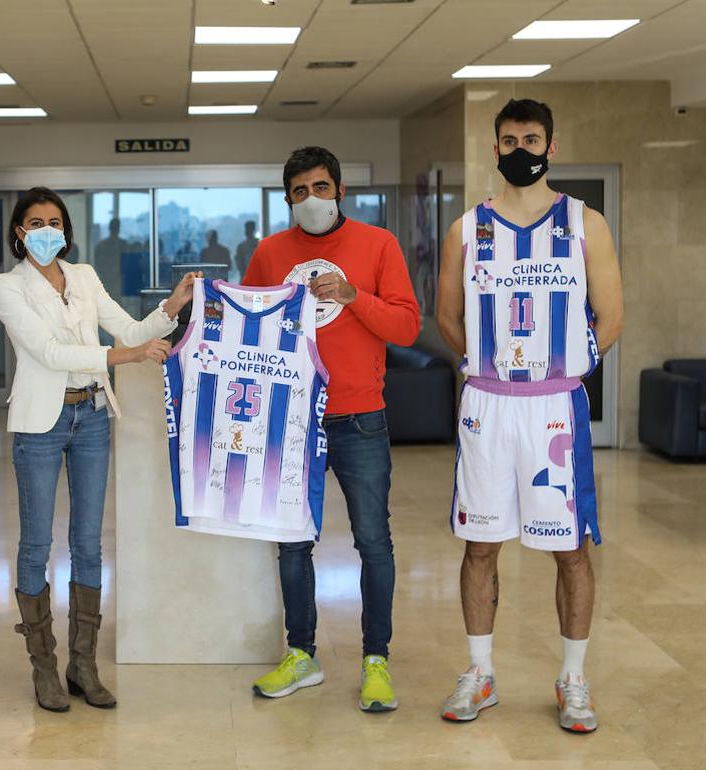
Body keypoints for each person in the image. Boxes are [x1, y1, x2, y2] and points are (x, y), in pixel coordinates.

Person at [435, 99, 623, 733]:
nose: (520, 148)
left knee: (569, 551)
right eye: (509, 139)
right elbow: (447, 315)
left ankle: (573, 679)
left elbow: (612, 314)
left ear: (552, 145)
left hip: (554, 408)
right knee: (480, 543)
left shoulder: (584, 223)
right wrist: (488, 363)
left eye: (531, 138)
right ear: (494, 149)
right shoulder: (467, 228)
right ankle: (480, 674)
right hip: (488, 404)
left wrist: (560, 366)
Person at [0, 187, 197, 712]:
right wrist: (126, 355)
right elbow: (49, 351)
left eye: (54, 221)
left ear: (66, 229)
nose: (46, 230)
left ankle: (83, 664)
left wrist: (170, 309)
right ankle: (44, 668)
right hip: (42, 420)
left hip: (92, 417)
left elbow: (128, 326)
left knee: (88, 542)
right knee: (37, 544)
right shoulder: (6, 286)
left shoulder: (82, 277)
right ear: (19, 232)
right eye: (35, 222)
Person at [242, 146, 420, 712]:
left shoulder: (378, 245)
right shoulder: (271, 253)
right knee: (293, 545)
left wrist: (351, 295)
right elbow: (247, 324)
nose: (310, 200)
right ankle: (302, 654)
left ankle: (376, 660)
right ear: (287, 197)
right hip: (293, 418)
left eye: (320, 188)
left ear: (340, 190)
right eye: (299, 191)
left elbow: (408, 326)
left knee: (373, 541)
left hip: (360, 417)